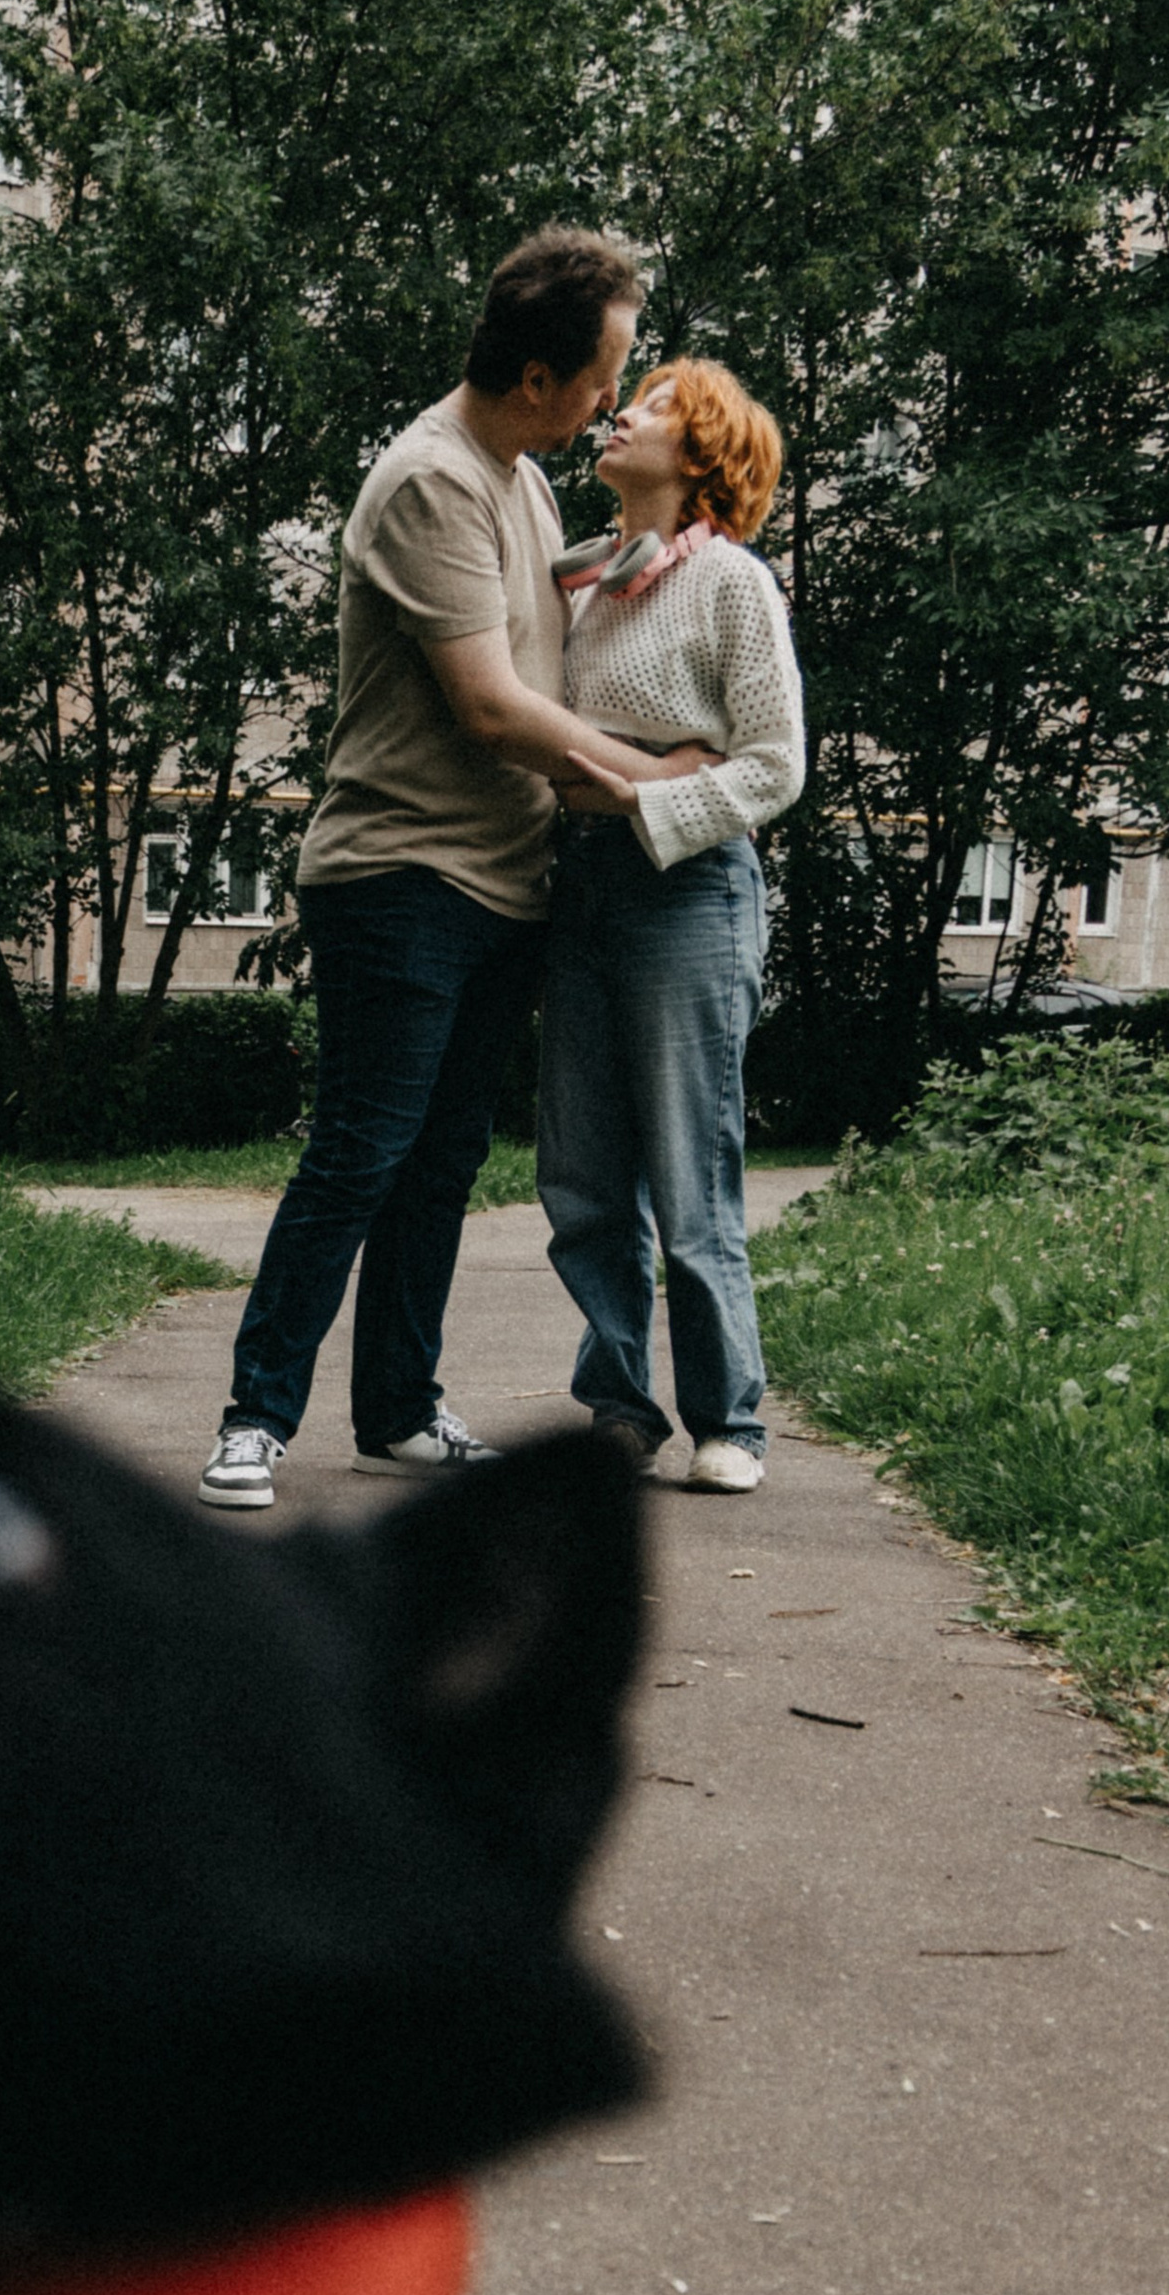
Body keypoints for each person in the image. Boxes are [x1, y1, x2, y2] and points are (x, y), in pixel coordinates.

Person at [199, 228, 682, 1513]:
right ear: (537, 375)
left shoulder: (521, 481)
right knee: (363, 1149)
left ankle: (399, 1414)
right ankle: (255, 1416)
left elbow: (558, 629)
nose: (611, 402)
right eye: (603, 375)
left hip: (501, 879)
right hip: (400, 871)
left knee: (442, 1160)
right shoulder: (432, 479)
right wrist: (652, 780)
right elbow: (488, 704)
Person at [538, 359, 806, 1491]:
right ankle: (617, 1405)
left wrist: (644, 796)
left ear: (699, 456)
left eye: (645, 408)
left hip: (689, 887)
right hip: (578, 884)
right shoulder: (582, 583)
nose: (617, 414)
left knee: (691, 1170)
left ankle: (727, 1421)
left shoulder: (733, 583)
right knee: (583, 1175)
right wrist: (631, 773)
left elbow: (775, 768)